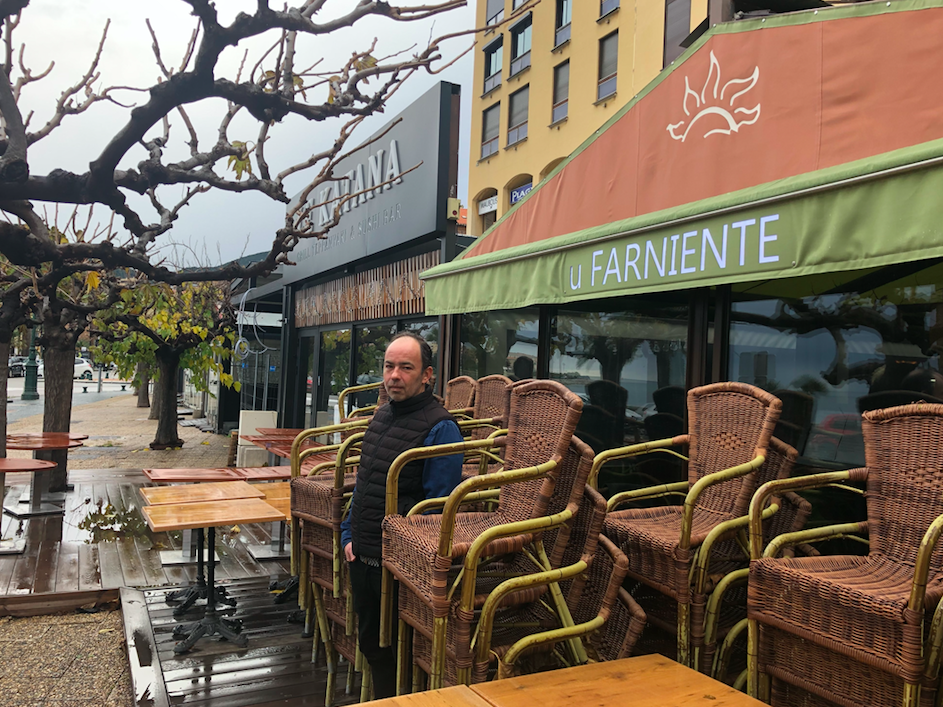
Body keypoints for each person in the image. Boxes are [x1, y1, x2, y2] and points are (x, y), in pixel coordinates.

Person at [340, 331, 464, 698]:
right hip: (362, 557)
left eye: (405, 367)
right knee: (374, 649)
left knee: (397, 656)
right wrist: (348, 536)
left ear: (427, 375)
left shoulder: (441, 428)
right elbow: (364, 485)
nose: (394, 375)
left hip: (398, 570)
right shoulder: (381, 416)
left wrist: (398, 560)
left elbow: (436, 512)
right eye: (389, 366)